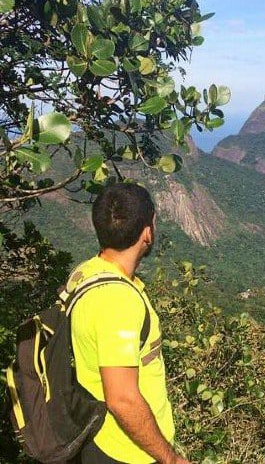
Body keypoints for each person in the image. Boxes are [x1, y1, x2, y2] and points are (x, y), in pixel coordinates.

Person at [68, 183, 189, 463]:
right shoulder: (117, 301)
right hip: (127, 451)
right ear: (147, 233)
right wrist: (170, 458)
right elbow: (122, 399)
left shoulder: (86, 272)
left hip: (96, 434)